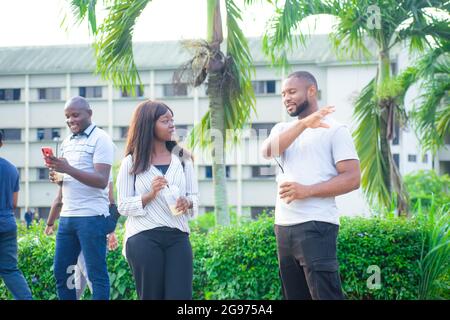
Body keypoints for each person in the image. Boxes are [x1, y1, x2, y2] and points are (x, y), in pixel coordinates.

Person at [261, 71, 361, 300]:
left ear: (312, 91)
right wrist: (305, 124)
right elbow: (268, 151)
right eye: (283, 93)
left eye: (292, 92)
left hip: (317, 225)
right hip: (284, 228)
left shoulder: (335, 130)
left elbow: (353, 178)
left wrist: (306, 191)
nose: (286, 97)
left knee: (326, 296)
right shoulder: (281, 130)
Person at [116, 100, 198, 300]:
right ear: (148, 124)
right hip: (143, 237)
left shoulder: (183, 159)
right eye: (165, 121)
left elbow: (194, 198)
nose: (172, 125)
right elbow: (123, 205)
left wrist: (187, 203)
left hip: (178, 236)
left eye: (172, 120)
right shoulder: (131, 162)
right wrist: (149, 195)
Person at [43, 96, 114, 300]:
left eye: (75, 115)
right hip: (67, 217)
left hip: (91, 218)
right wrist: (59, 176)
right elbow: (69, 178)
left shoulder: (101, 139)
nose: (70, 120)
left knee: (95, 274)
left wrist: (68, 169)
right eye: (67, 116)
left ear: (89, 114)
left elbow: (102, 180)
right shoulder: (66, 142)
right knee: (62, 272)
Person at [45, 180, 119, 299]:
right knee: (79, 281)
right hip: (97, 226)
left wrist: (50, 223)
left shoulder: (70, 169)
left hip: (76, 228)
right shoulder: (104, 170)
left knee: (91, 278)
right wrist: (111, 231)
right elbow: (111, 202)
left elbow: (59, 200)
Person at [0, 129, 33, 300]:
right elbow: (14, 204)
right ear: (1, 143)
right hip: (7, 224)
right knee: (10, 269)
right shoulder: (12, 169)